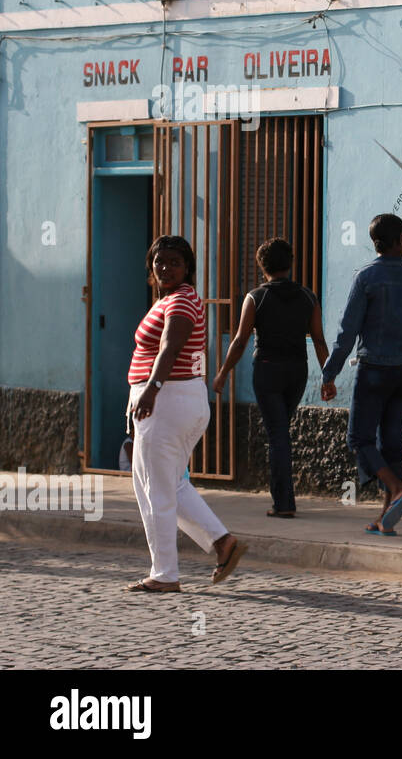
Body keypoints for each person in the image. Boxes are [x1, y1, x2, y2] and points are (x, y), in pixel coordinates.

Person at [125, 236, 246, 593]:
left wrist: (151, 388)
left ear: (188, 268)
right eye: (159, 261)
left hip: (168, 401)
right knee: (170, 485)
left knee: (157, 491)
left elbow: (170, 348)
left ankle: (165, 575)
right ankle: (223, 543)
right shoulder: (171, 300)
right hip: (174, 401)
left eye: (174, 262)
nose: (165, 268)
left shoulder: (180, 301)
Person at [322, 214, 402, 535]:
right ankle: (386, 516)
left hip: (373, 370)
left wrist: (329, 373)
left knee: (359, 439)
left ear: (376, 243)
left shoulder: (365, 278)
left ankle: (396, 489)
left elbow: (347, 332)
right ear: (401, 240)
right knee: (391, 443)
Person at [212, 238, 329, 518]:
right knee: (281, 433)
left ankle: (284, 503)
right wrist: (329, 377)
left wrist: (223, 373)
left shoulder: (256, 297)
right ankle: (283, 498)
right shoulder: (308, 297)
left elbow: (240, 341)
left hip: (267, 371)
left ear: (261, 266)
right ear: (291, 263)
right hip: (297, 372)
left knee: (277, 435)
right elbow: (320, 341)